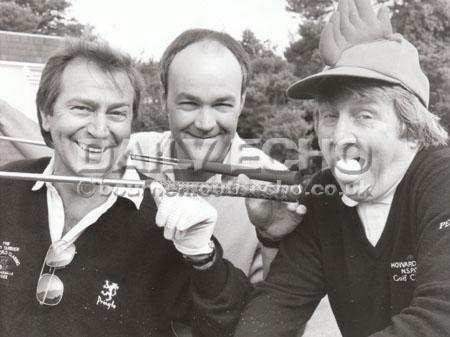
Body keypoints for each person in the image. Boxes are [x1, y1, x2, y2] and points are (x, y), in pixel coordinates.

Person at [0, 29, 304, 282]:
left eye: (222, 105)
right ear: (165, 97)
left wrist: (271, 238)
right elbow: (64, 154)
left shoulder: (270, 186)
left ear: (242, 100)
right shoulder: (133, 149)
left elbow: (280, 314)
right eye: (189, 103)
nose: (205, 123)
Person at [0, 40, 252, 337]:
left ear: (131, 123)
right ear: (46, 114)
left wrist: (203, 257)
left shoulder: (165, 219)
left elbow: (236, 323)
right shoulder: (7, 185)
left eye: (117, 113)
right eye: (82, 108)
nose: (98, 129)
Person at [234, 0, 450, 336]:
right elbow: (275, 306)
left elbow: (440, 318)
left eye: (364, 115)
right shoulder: (325, 196)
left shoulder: (441, 180)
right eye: (330, 116)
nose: (339, 137)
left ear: (410, 128)